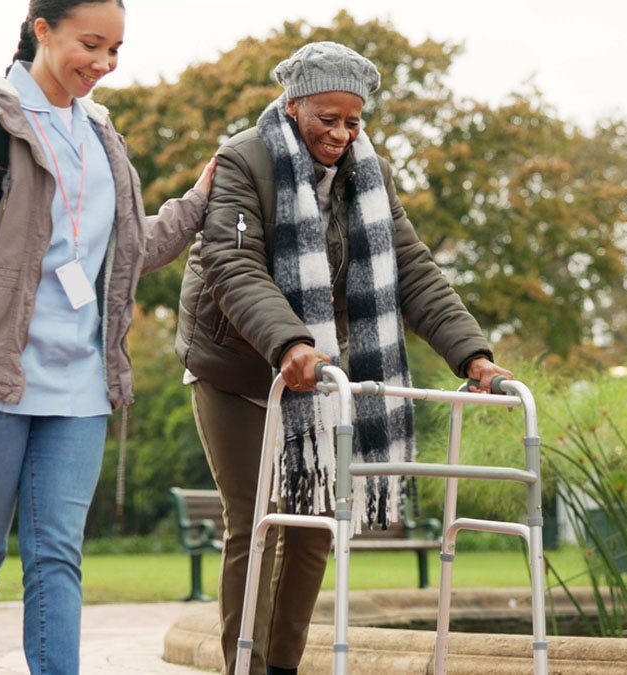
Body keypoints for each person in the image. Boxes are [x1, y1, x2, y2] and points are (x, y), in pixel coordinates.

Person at [0, 1, 214, 673]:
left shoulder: (99, 133)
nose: (103, 63)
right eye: (90, 44)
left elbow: (125, 249)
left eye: (115, 49)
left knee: (58, 555)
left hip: (80, 387)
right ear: (42, 30)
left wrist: (198, 201)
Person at [175, 41, 512, 675]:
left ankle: (282, 667)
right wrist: (290, 342)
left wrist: (474, 357)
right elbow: (233, 265)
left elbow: (410, 269)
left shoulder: (369, 173)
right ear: (293, 103)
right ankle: (241, 667)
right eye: (327, 117)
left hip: (323, 372)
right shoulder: (245, 161)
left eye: (352, 120)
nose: (340, 132)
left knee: (313, 524)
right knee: (257, 521)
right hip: (239, 368)